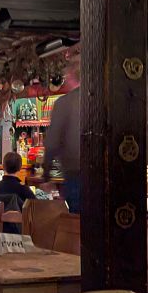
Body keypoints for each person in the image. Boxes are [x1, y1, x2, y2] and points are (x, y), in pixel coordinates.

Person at [44, 61, 80, 213]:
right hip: (107, 173)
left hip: (76, 173)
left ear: (71, 77)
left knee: (77, 223)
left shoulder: (64, 103)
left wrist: (47, 175)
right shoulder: (105, 98)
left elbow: (52, 143)